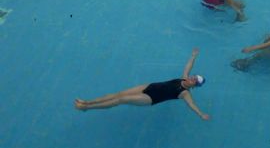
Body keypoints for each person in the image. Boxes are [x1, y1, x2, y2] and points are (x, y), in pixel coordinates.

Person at [74, 48, 210, 120]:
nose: (192, 78)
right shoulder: (183, 78)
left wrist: (201, 114)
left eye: (194, 80)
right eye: (194, 76)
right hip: (150, 86)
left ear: (194, 86)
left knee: (121, 100)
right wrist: (193, 56)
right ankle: (87, 102)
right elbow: (188, 66)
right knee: (118, 94)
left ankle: (87, 108)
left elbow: (192, 105)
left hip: (150, 98)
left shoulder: (185, 93)